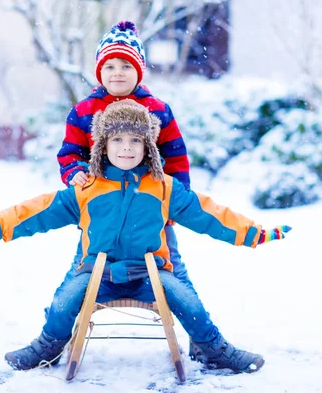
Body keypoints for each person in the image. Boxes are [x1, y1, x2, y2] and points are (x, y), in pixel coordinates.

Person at [0, 100, 292, 374]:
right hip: (96, 274)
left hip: (150, 274)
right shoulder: (86, 188)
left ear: (148, 146)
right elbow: (36, 212)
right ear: (102, 145)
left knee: (188, 301)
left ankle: (214, 349)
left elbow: (209, 215)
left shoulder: (163, 187)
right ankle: (48, 346)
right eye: (117, 140)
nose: (126, 148)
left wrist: (255, 234)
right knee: (62, 302)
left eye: (135, 140)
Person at [54, 20, 259, 369]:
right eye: (109, 66)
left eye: (125, 66)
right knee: (78, 277)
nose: (117, 73)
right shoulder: (85, 111)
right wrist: (75, 174)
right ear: (99, 70)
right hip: (101, 215)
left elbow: (175, 155)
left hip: (153, 211)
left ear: (139, 70)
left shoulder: (157, 110)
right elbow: (69, 153)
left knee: (176, 277)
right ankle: (54, 339)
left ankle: (206, 343)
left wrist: (175, 199)